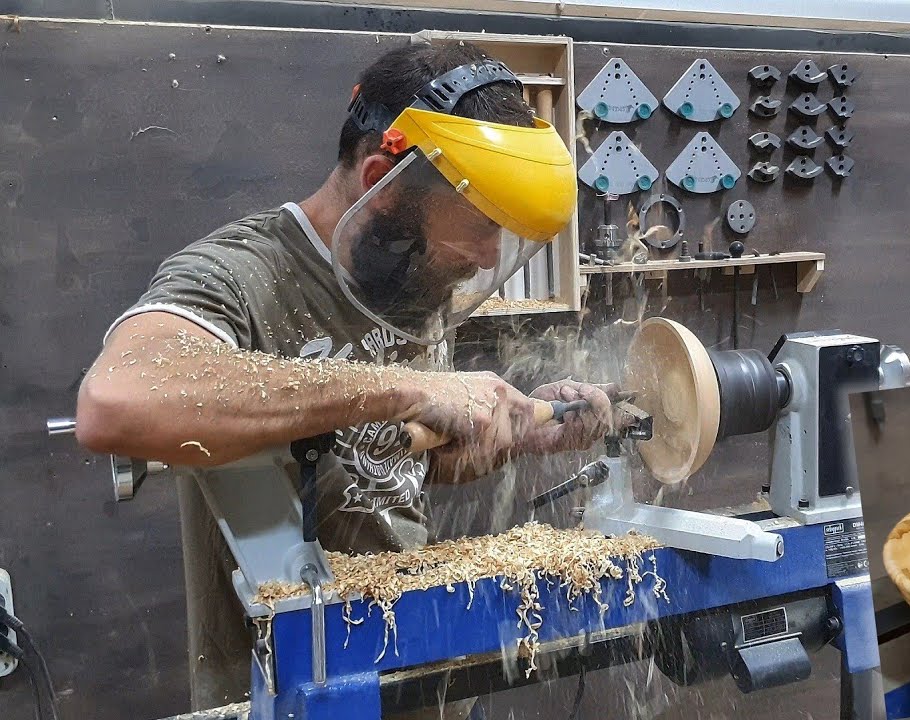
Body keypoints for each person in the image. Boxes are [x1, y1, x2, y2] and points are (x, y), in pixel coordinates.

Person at [74, 41, 611, 711]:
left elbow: (392, 469)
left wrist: (514, 432)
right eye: (478, 224)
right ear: (383, 179)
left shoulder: (412, 278)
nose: (485, 257)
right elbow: (116, 400)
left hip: (411, 671)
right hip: (290, 687)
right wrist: (408, 390)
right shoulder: (239, 272)